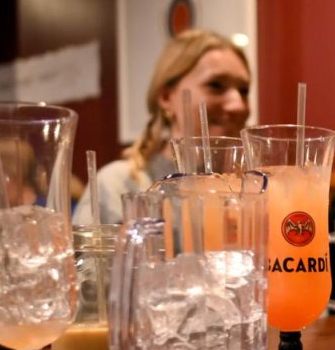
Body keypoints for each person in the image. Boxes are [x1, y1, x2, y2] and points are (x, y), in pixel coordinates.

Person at [74, 28, 251, 223]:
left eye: (244, 90)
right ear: (166, 97)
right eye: (216, 85)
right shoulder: (119, 185)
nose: (238, 105)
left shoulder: (255, 191)